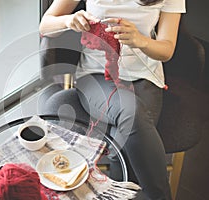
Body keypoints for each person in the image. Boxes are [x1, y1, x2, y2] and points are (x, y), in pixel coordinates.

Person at [39, 0, 185, 199]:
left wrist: (140, 40)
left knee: (123, 149)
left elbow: (166, 49)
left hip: (145, 78)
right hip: (96, 77)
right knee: (131, 112)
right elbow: (46, 24)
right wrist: (70, 20)